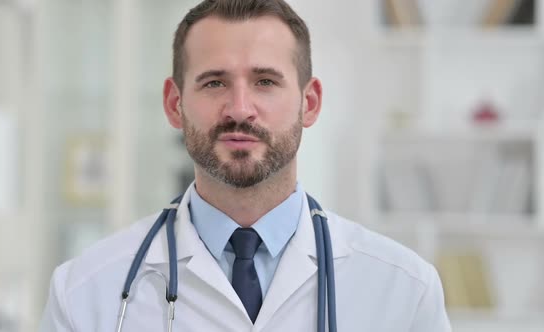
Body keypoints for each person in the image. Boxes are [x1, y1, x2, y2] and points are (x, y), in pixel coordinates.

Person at [40, 0, 451, 331]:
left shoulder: (404, 291)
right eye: (214, 82)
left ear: (309, 103)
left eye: (265, 82)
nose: (239, 109)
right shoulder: (84, 293)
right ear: (173, 103)